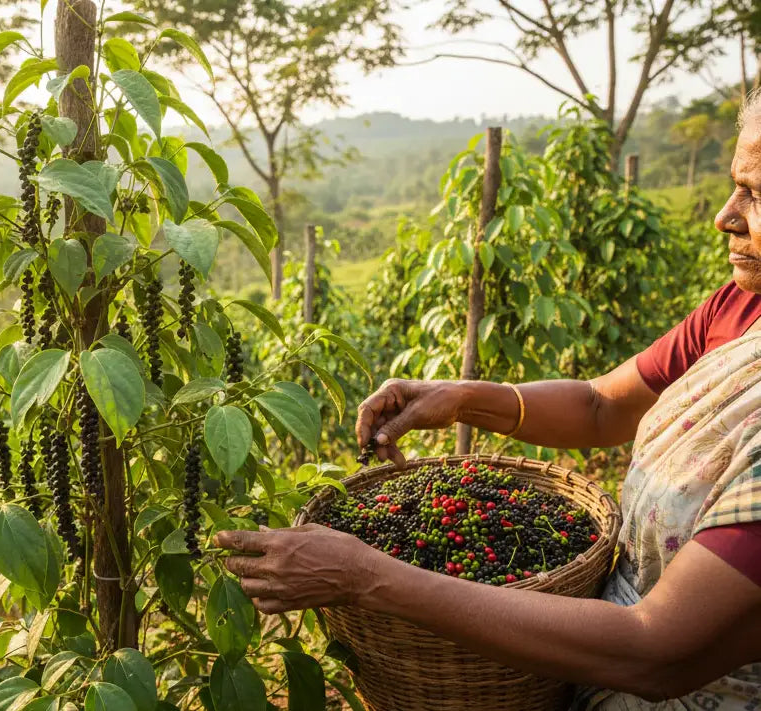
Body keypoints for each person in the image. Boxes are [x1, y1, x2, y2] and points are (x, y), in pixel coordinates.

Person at [214, 96, 761, 708]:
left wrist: (368, 574)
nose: (725, 217)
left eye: (756, 195)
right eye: (734, 186)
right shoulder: (739, 308)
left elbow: (657, 651)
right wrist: (459, 397)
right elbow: (602, 405)